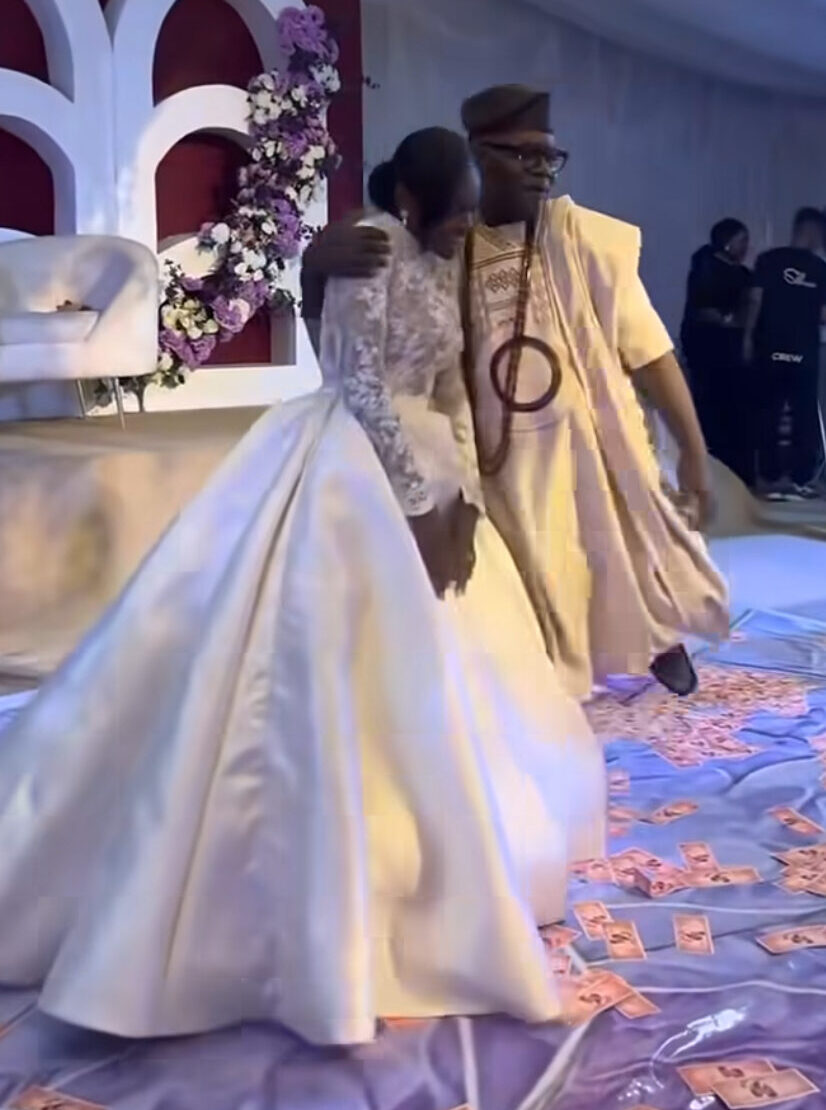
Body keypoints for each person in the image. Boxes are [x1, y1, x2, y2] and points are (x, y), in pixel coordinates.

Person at [0, 128, 605, 1045]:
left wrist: (465, 502)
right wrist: (419, 512)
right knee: (320, 668)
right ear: (412, 198)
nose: (467, 225)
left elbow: (445, 388)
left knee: (461, 671)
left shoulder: (438, 257)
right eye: (457, 209)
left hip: (432, 469)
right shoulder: (366, 249)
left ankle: (465, 857)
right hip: (351, 470)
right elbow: (360, 387)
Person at [303, 85, 729, 702]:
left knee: (625, 553)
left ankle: (655, 638)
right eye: (524, 155)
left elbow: (651, 352)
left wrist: (692, 450)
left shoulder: (583, 238)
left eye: (550, 157)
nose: (541, 171)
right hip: (501, 460)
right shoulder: (446, 242)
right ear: (477, 156)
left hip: (595, 447)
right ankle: (554, 684)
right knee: (532, 583)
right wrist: (317, 260)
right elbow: (368, 307)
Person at [744, 207, 826, 500]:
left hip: (771, 348)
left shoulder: (768, 260)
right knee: (802, 414)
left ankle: (771, 478)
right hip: (803, 351)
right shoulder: (819, 268)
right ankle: (800, 479)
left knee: (770, 412)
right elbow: (824, 314)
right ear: (811, 230)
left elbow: (755, 301)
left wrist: (748, 339)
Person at [681, 219, 754, 486]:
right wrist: (728, 320)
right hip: (709, 352)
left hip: (731, 354)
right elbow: (702, 309)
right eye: (742, 240)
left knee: (734, 412)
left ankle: (735, 472)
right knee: (710, 409)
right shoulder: (705, 267)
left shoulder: (743, 274)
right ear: (727, 241)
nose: (746, 247)